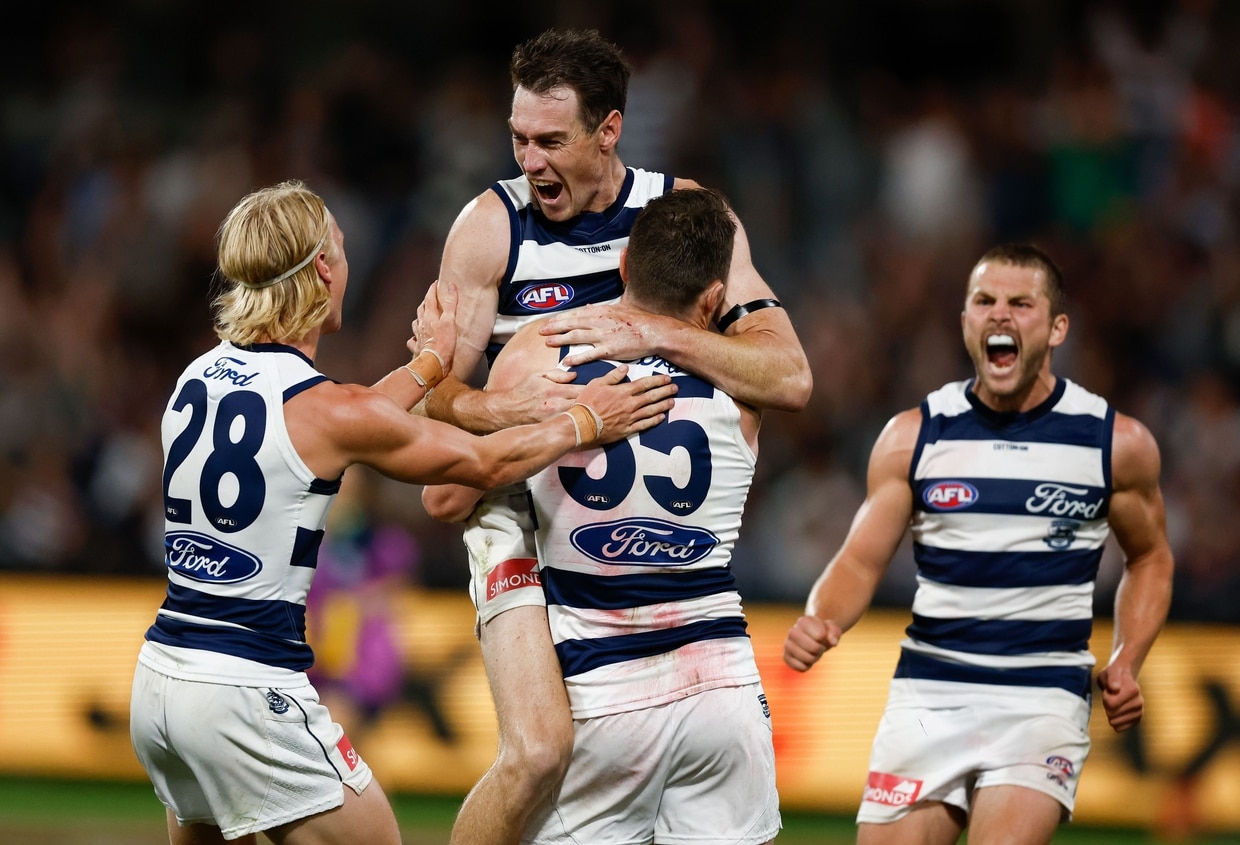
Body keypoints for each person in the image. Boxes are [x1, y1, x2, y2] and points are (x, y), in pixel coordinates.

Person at [128, 179, 677, 845]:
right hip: (244, 688)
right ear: (323, 268)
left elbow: (342, 419)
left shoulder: (197, 377)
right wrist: (586, 420)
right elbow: (483, 465)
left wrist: (430, 363)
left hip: (161, 682)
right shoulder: (324, 409)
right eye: (341, 248)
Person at [418, 28, 811, 845]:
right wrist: (529, 412)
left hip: (633, 519)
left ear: (609, 131)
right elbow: (438, 409)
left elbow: (790, 375)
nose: (530, 161)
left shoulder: (684, 216)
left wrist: (653, 336)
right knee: (537, 753)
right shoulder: (489, 228)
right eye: (519, 139)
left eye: (551, 141)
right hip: (516, 497)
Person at [783, 242, 1175, 845]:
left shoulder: (1114, 443)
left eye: (1021, 303)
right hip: (928, 695)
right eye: (985, 300)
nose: (1000, 314)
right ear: (965, 319)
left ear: (1058, 327)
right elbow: (860, 559)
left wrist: (1127, 659)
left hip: (1041, 698)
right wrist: (822, 617)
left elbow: (1150, 558)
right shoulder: (913, 436)